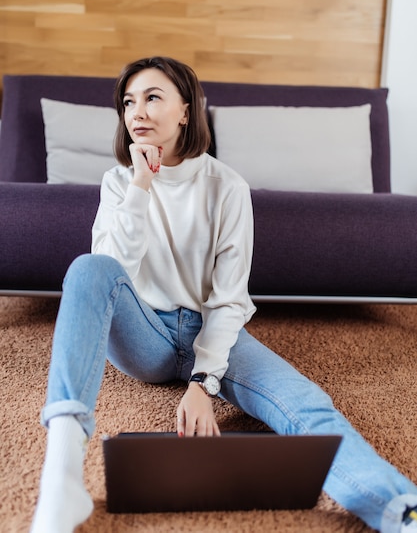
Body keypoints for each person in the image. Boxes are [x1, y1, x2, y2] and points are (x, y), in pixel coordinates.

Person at [30, 56, 417, 533]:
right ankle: (61, 476)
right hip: (143, 331)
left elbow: (230, 298)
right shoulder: (118, 183)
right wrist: (141, 184)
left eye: (153, 98)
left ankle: (401, 510)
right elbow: (115, 271)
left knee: (307, 402)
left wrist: (202, 383)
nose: (137, 112)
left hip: (209, 330)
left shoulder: (227, 187)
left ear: (186, 111)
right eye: (128, 102)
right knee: (88, 268)